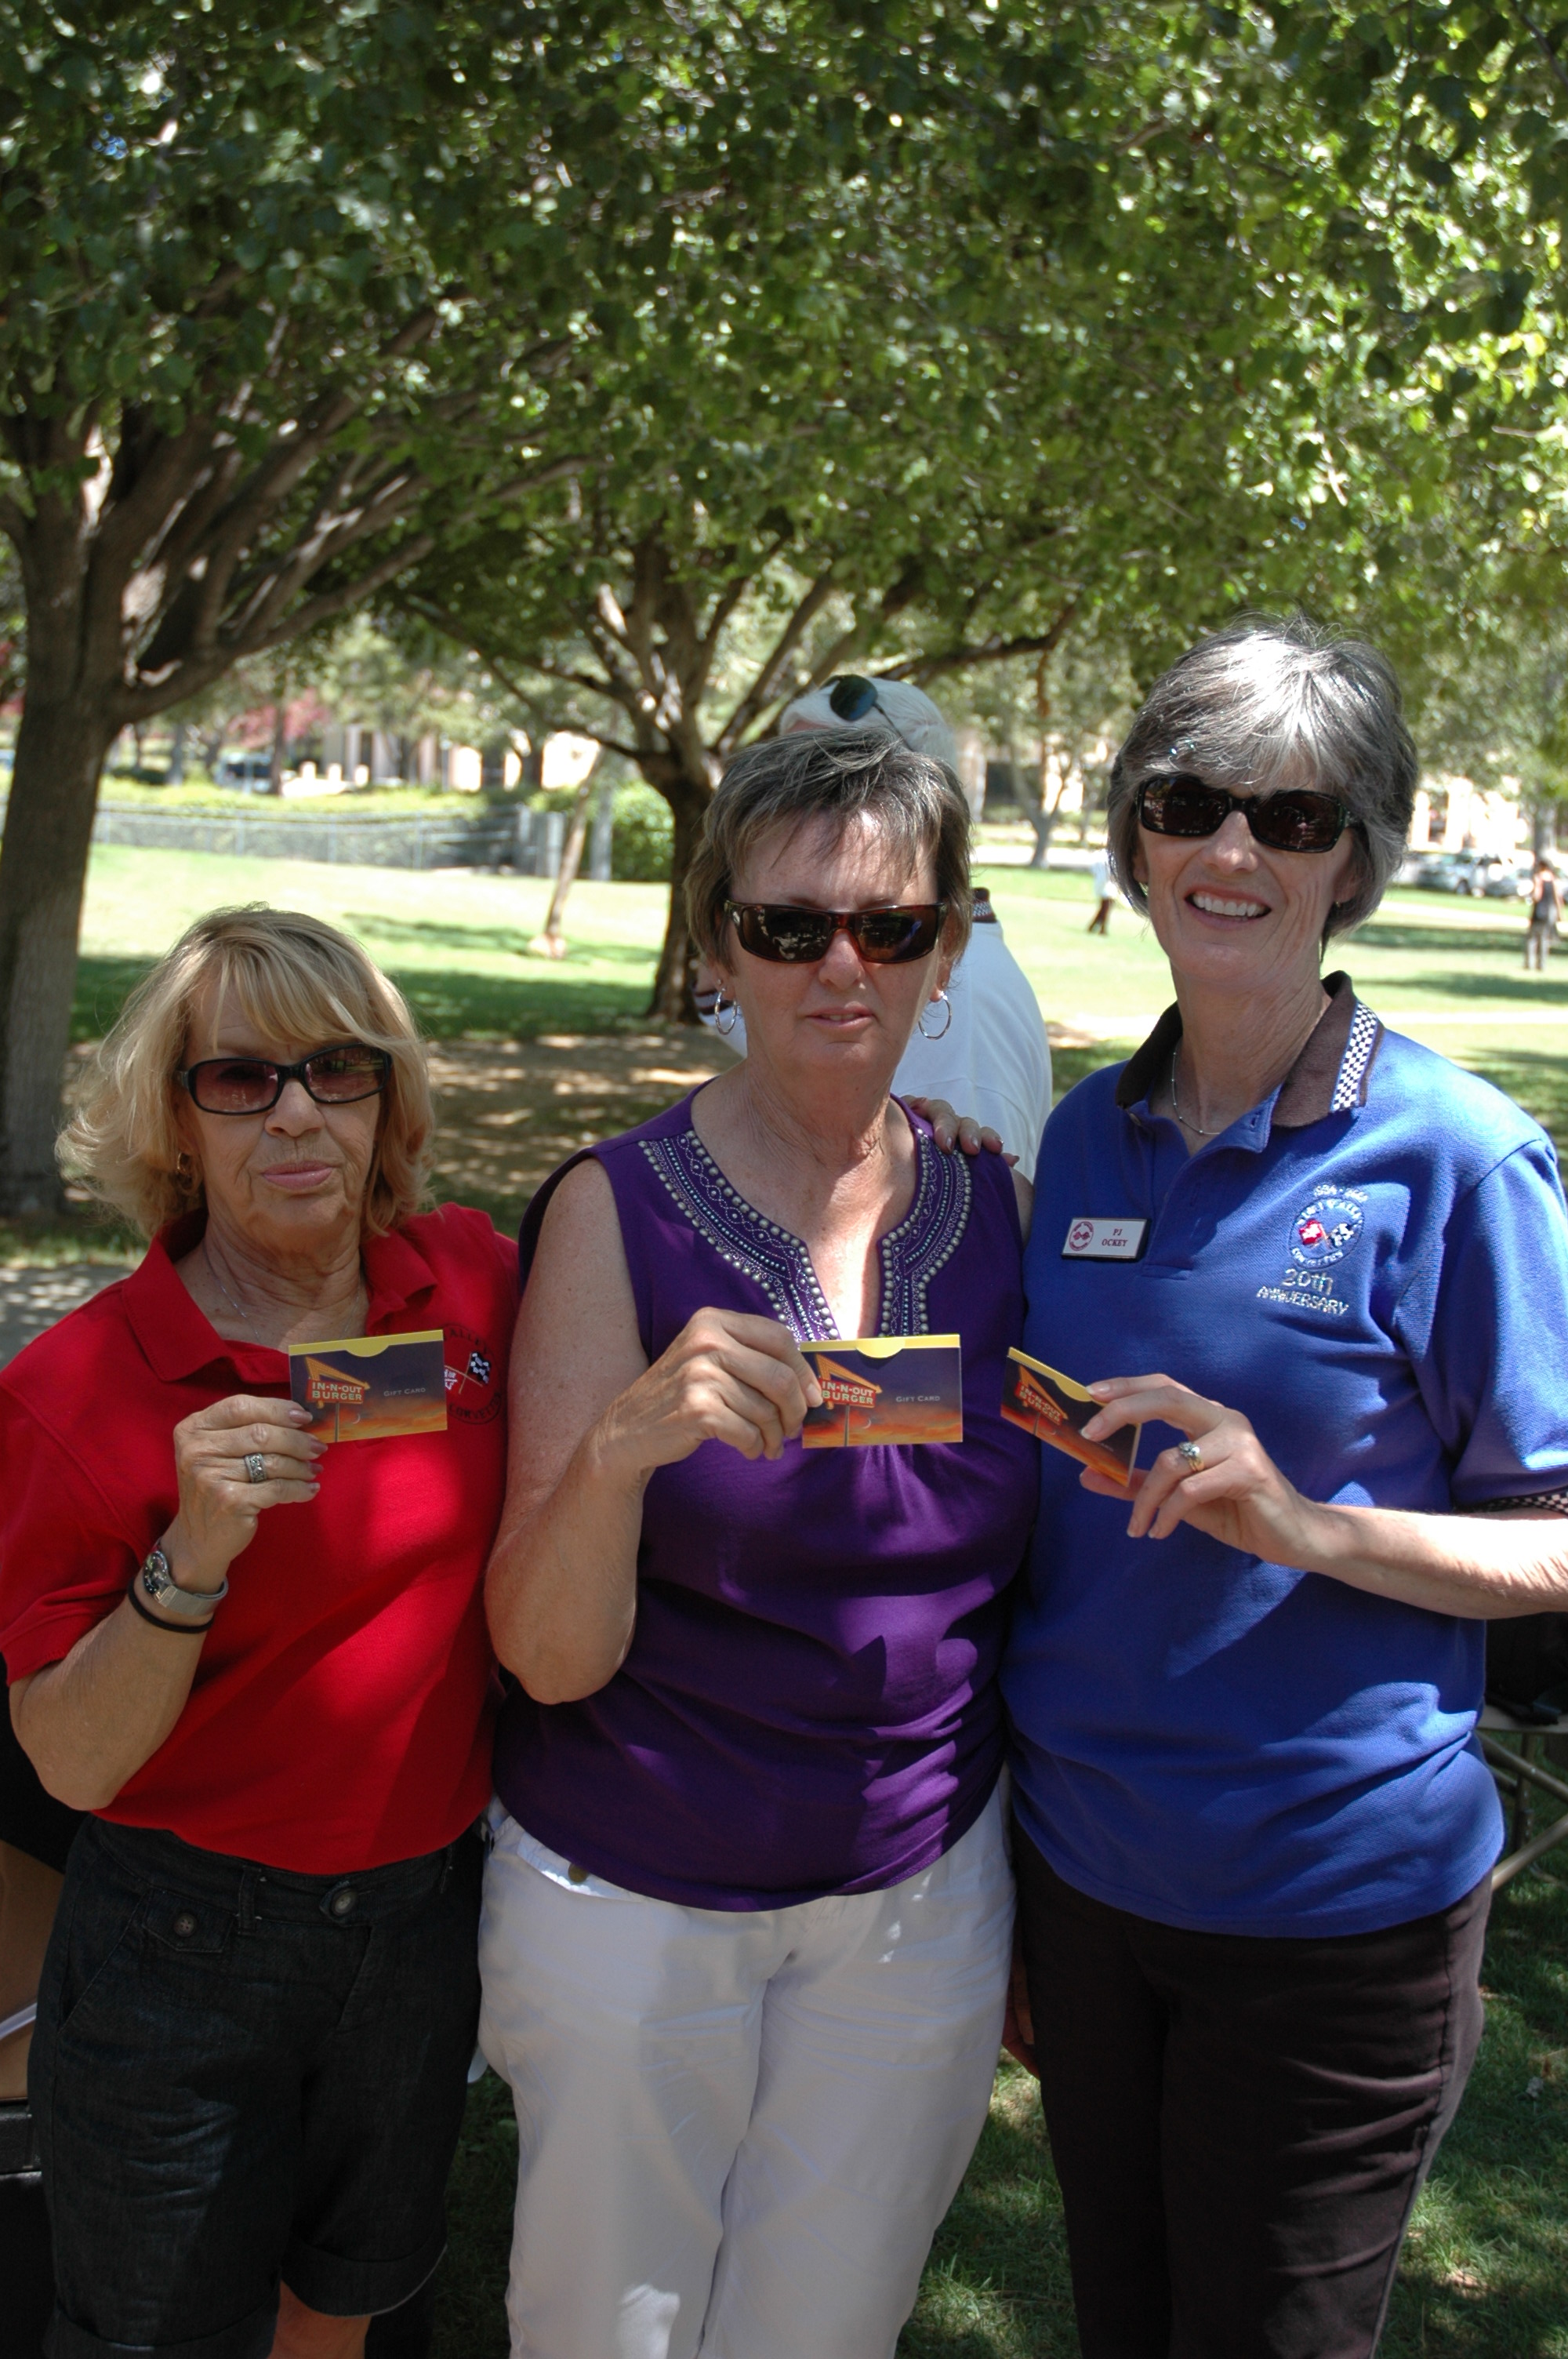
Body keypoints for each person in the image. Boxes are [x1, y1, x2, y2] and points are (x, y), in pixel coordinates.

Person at [1005, 616, 1568, 2359]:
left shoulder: (1459, 1158)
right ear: (1136, 837)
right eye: (1188, 802)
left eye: (1294, 815)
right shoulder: (1079, 1138)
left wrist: (1306, 1525)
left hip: (1332, 1912)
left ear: (1355, 862)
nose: (1232, 849)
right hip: (1083, 1877)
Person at [480, 728, 1038, 2359]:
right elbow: (545, 1650)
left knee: (831, 2325)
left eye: (891, 924)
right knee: (606, 2330)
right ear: (719, 945)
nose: (841, 966)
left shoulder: (996, 1205)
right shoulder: (616, 1210)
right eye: (791, 926)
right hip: (635, 1893)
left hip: (919, 1893)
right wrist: (621, 1451)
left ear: (947, 949)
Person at [1, 907, 517, 2359]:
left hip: (419, 1922)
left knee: (342, 2309)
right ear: (177, 1121)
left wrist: (916, 1140)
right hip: (180, 1947)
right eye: (240, 1077)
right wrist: (189, 1560)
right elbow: (71, 1763)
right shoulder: (75, 1387)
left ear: (385, 1098)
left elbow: (670, 1264)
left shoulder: (472, 1281)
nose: (296, 1112)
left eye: (337, 1070)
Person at [695, 674, 1053, 1176]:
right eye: (787, 924)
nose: (785, 798)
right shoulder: (914, 967)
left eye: (824, 775)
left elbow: (964, 1191)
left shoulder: (955, 993)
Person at [1524, 851, 1559, 969]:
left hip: (1539, 910)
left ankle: (1529, 963)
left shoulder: (1538, 878)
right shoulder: (1553, 879)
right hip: (1549, 911)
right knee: (1544, 938)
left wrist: (1530, 896)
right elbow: (1557, 897)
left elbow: (1537, 896)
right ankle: (1542, 964)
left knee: (1532, 938)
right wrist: (1559, 913)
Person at [1086, 846, 1114, 934]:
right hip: (1108, 884)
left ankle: (1095, 927)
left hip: (1099, 882)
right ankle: (1101, 928)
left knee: (1105, 907)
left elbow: (1092, 870)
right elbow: (1112, 873)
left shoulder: (1097, 856)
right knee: (1106, 907)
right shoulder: (1110, 857)